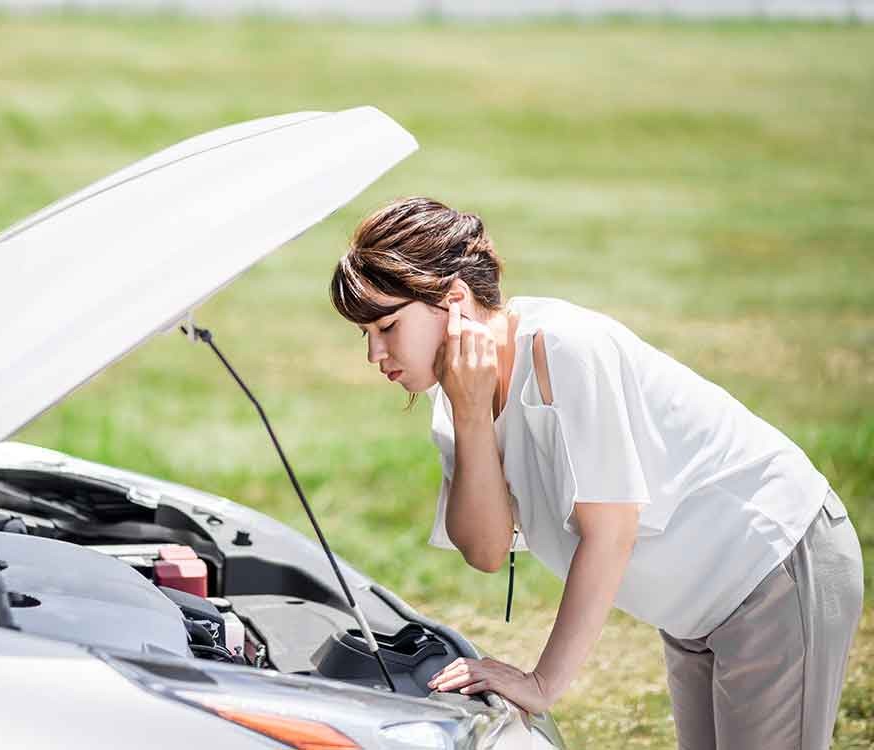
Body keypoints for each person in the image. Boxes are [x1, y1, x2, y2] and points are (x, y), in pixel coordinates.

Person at [328, 196, 864, 750]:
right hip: (696, 613)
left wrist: (541, 684)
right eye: (365, 335)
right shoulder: (456, 400)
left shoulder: (564, 349)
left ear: (455, 302)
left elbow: (611, 533)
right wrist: (470, 415)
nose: (374, 354)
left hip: (772, 567)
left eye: (387, 326)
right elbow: (486, 550)